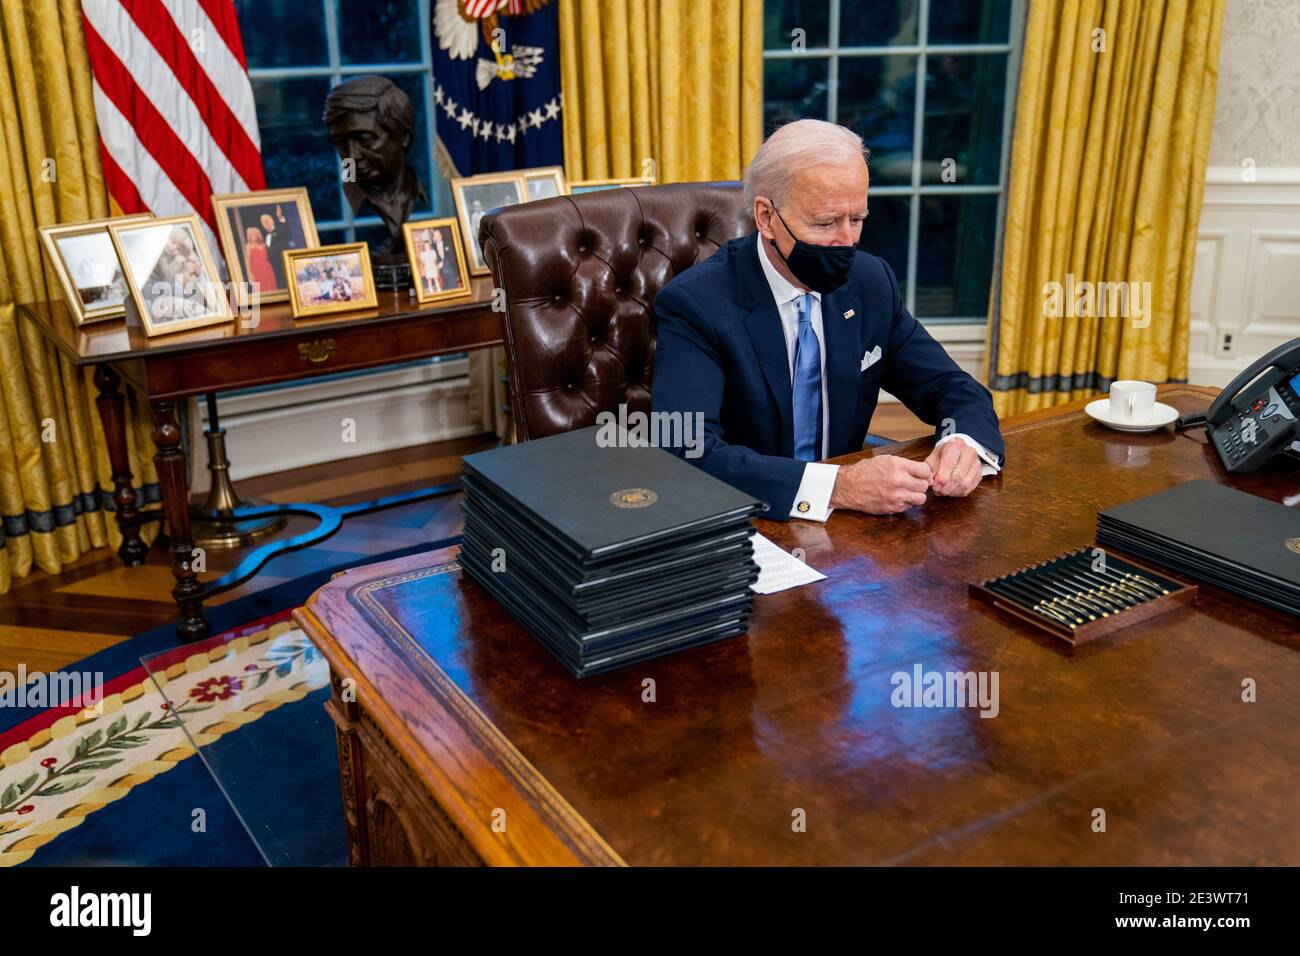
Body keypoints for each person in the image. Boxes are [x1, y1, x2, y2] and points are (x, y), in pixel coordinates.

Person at [651, 118, 1004, 521]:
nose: (847, 241)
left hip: (854, 532)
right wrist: (839, 486)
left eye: (856, 219)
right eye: (825, 223)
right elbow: (683, 452)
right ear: (766, 218)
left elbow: (951, 386)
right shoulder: (696, 304)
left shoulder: (871, 282)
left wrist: (965, 443)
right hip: (749, 521)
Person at [243, 225, 277, 295]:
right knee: (260, 291)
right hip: (256, 271)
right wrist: (250, 275)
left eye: (254, 234)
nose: (253, 236)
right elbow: (247, 262)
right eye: (250, 235)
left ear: (258, 235)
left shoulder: (264, 245)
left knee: (270, 287)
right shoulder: (248, 246)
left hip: (267, 269)